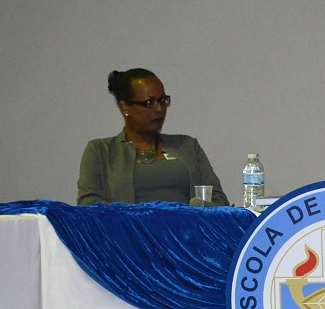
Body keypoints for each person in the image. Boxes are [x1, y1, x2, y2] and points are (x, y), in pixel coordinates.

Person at [77, 68, 229, 206]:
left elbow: (218, 200)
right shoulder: (100, 151)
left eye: (163, 100)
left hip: (185, 233)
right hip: (130, 234)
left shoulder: (187, 146)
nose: (159, 109)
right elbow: (88, 204)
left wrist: (192, 214)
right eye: (149, 103)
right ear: (125, 107)